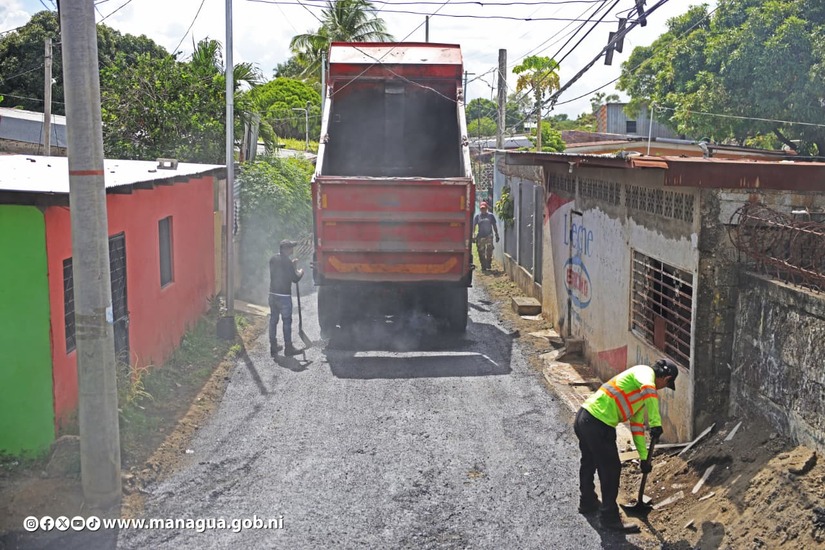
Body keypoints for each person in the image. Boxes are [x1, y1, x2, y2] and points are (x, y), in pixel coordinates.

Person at [574, 358, 678, 533]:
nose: (661, 389)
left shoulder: (639, 392)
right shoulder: (645, 373)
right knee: (611, 469)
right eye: (666, 385)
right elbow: (649, 389)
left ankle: (587, 501)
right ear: (666, 378)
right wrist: (655, 423)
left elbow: (637, 428)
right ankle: (609, 518)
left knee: (589, 461)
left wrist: (644, 458)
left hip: (585, 418)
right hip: (598, 422)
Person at [269, 239, 304, 357]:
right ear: (285, 249)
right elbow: (295, 279)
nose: (292, 250)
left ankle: (273, 346)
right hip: (284, 296)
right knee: (287, 322)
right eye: (290, 247)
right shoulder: (287, 262)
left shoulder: (273, 259)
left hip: (272, 294)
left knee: (273, 320)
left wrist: (292, 266)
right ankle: (288, 348)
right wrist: (300, 272)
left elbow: (282, 271)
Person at [473, 201, 499, 272]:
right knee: (481, 252)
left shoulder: (490, 216)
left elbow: (494, 225)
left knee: (489, 251)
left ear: (486, 208)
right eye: (481, 209)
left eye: (484, 208)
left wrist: (497, 234)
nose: (483, 210)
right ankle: (483, 266)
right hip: (480, 237)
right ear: (480, 209)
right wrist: (473, 235)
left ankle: (488, 264)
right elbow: (474, 226)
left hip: (489, 236)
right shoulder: (477, 217)